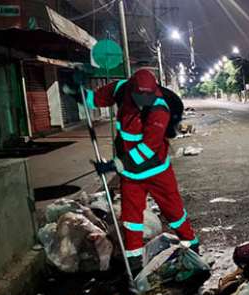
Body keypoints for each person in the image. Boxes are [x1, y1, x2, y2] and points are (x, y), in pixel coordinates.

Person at [84, 69, 198, 276]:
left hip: (156, 170)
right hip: (130, 175)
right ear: (132, 90)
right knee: (131, 218)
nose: (144, 101)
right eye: (140, 97)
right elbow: (95, 99)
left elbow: (147, 149)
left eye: (149, 96)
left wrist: (114, 165)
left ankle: (192, 244)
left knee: (174, 212)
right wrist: (76, 91)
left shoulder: (159, 109)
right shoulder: (121, 89)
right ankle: (134, 261)